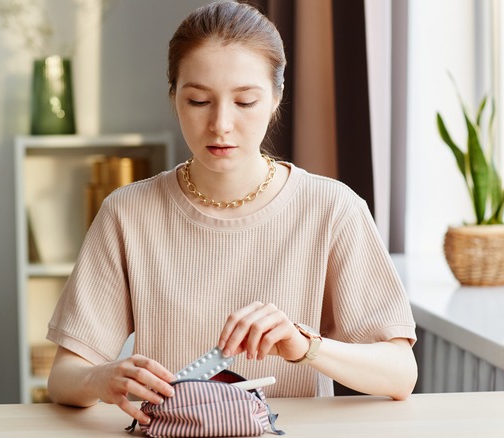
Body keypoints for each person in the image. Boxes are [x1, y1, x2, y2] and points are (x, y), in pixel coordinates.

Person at [46, 0, 417, 425]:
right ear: (174, 98)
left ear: (276, 98)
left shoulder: (333, 209)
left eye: (245, 102)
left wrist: (305, 346)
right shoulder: (127, 213)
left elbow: (400, 373)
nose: (221, 124)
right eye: (199, 101)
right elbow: (64, 375)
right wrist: (100, 379)